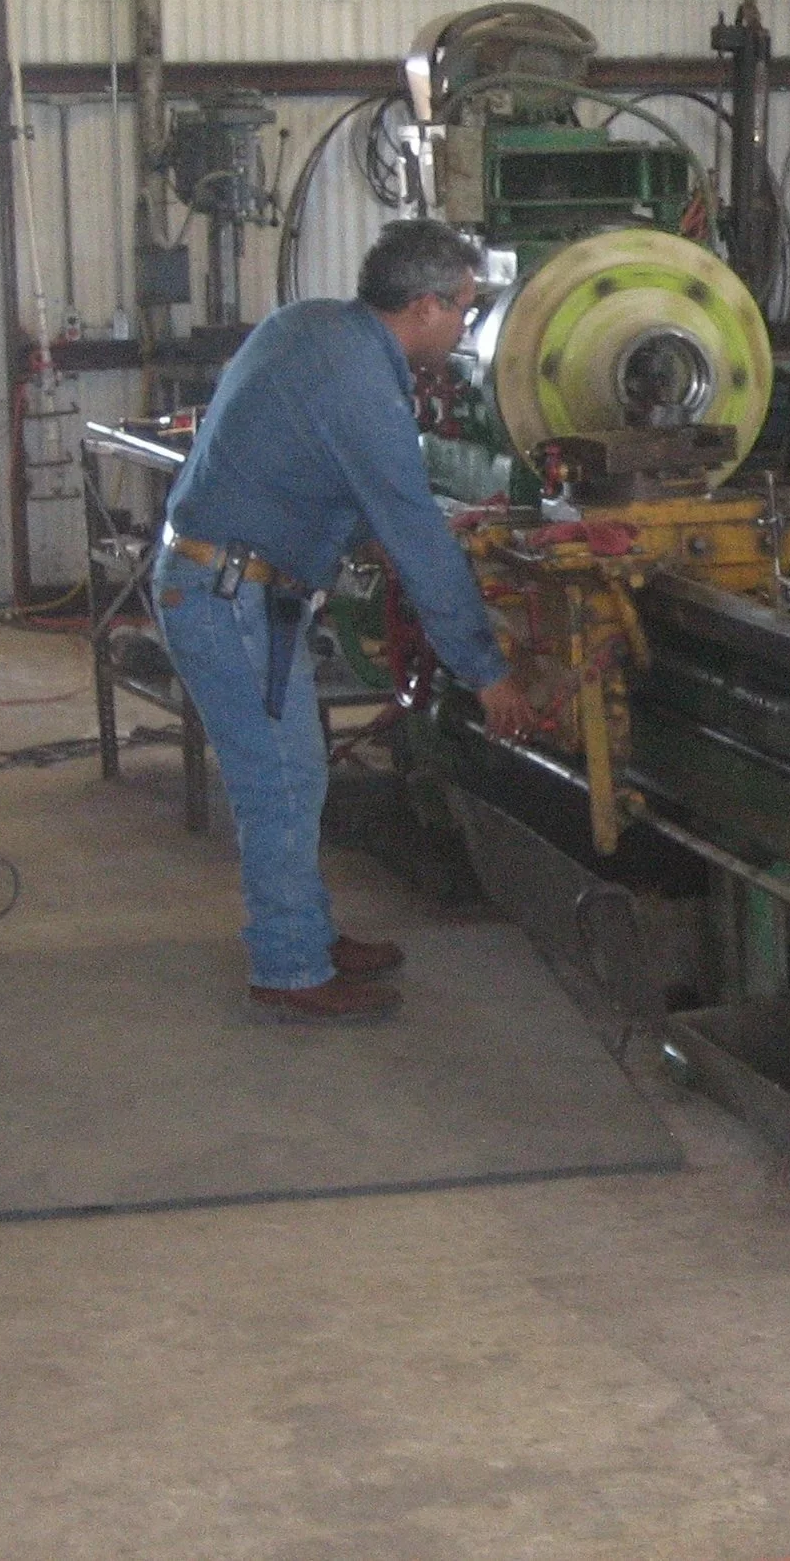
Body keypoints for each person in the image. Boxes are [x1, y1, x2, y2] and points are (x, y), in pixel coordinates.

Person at [153, 218, 524, 1021]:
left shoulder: (314, 326)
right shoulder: (361, 382)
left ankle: (306, 933)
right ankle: (288, 968)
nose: (465, 326)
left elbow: (312, 470)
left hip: (228, 581)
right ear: (423, 307)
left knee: (295, 774)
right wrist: (488, 671)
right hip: (229, 596)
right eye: (462, 308)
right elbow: (414, 537)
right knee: (281, 782)